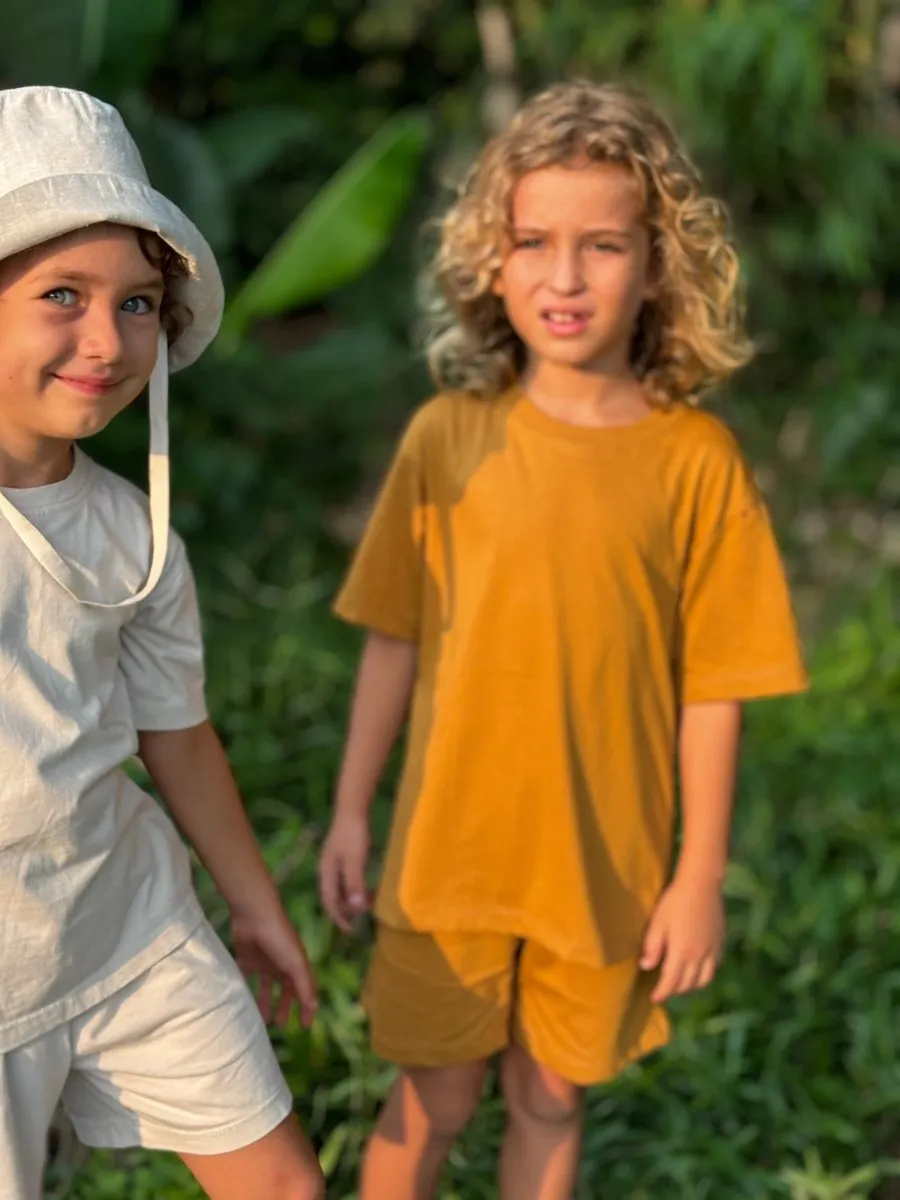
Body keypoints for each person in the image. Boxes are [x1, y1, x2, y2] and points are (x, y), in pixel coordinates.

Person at [318, 80, 809, 1199]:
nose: (566, 276)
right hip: (449, 858)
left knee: (550, 1093)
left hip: (604, 868)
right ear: (493, 258)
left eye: (603, 245)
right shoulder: (448, 438)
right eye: (534, 241)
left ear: (658, 264)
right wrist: (351, 810)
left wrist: (700, 876)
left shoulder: (698, 464)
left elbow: (715, 688)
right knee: (435, 1097)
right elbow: (392, 635)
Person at [0, 86, 324, 1200]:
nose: (107, 338)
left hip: (129, 924)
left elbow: (177, 735)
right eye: (61, 295)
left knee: (282, 1183)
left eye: (139, 303)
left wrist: (255, 904)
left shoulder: (136, 536)